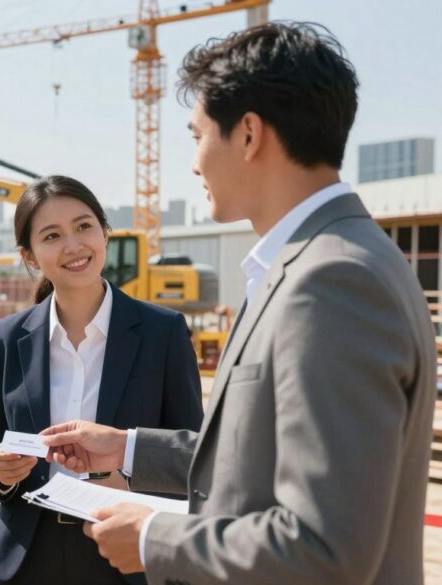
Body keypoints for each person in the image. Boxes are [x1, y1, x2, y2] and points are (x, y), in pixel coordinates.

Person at [41, 22, 436, 585]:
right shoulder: (325, 260)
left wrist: (155, 537)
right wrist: (126, 446)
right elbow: (256, 457)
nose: (194, 163)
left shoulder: (331, 281)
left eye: (198, 135)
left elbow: (325, 544)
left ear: (248, 135)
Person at [0, 175, 204, 585]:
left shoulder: (162, 332)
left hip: (124, 557)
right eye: (52, 235)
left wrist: (129, 481)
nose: (74, 246)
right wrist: (1, 474)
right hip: (26, 560)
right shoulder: (7, 338)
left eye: (83, 226)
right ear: (29, 254)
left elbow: (196, 458)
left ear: (105, 231)